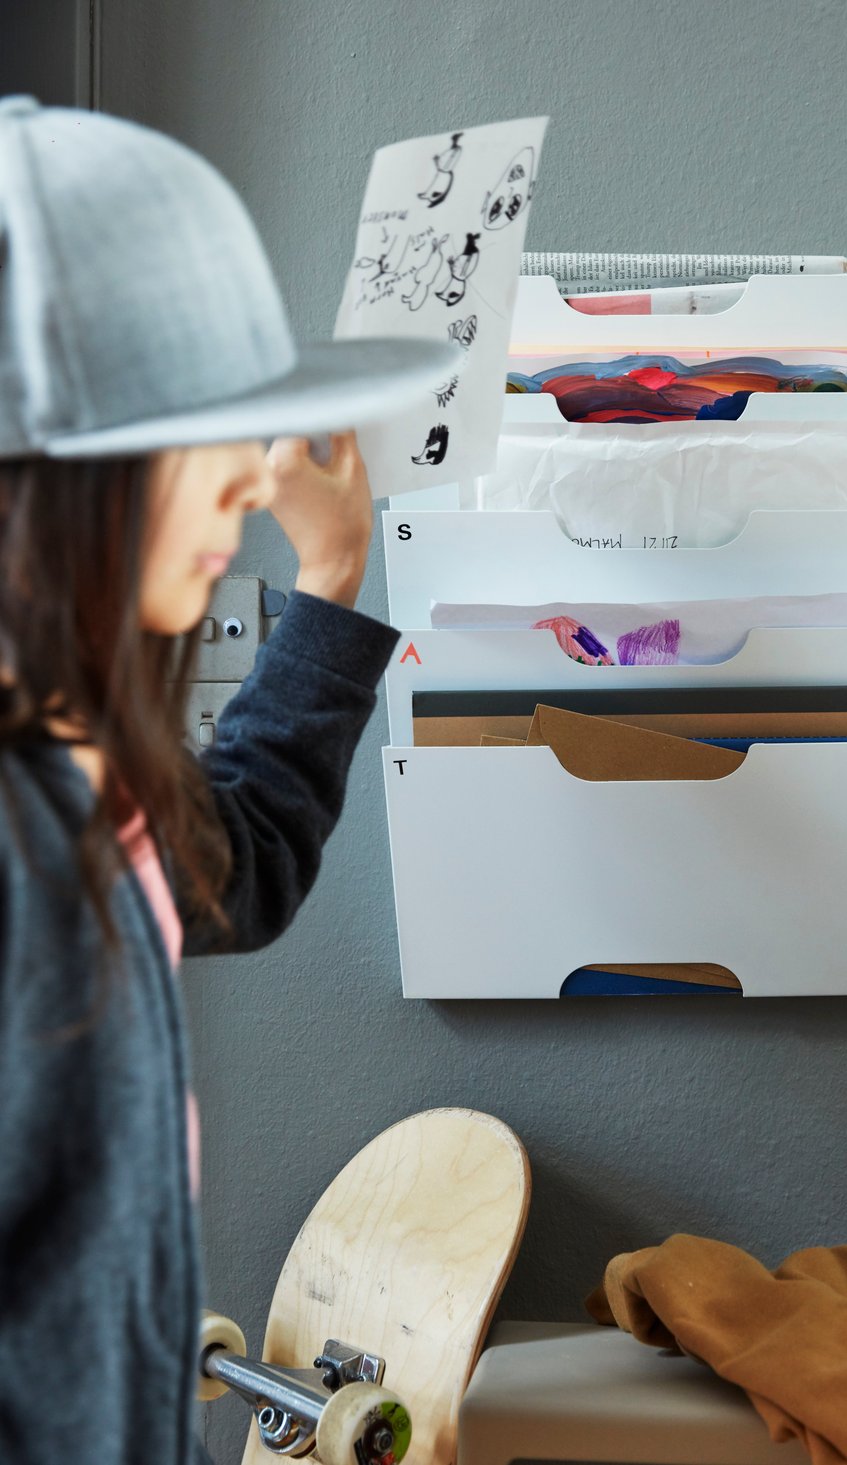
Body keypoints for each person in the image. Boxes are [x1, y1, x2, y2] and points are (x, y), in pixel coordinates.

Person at [0, 96, 450, 1464]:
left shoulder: (76, 759)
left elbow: (237, 865)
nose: (257, 477)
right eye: (210, 431)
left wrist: (332, 580)